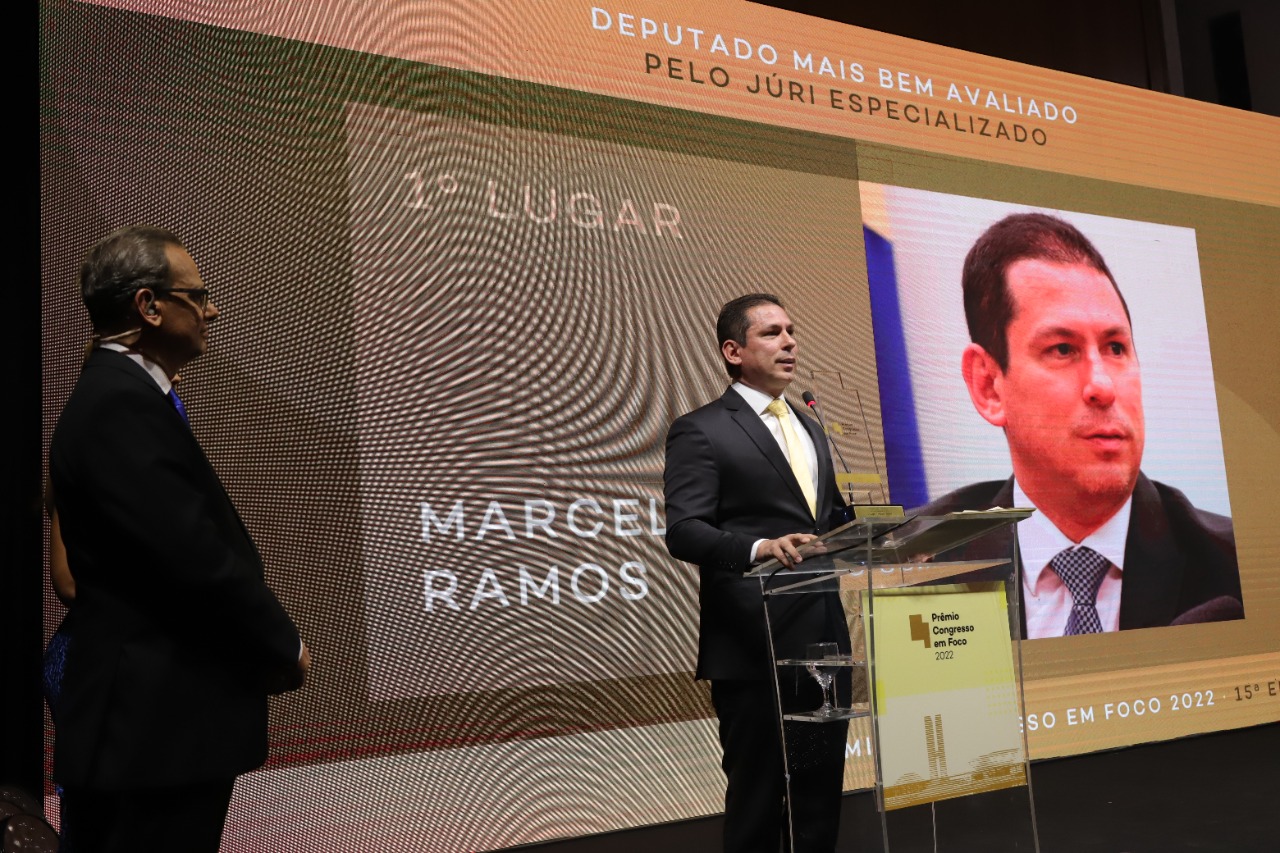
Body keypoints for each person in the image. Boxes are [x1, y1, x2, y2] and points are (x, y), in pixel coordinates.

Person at [49, 225, 311, 853]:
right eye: (197, 296)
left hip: (153, 731)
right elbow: (191, 556)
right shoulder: (119, 405)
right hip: (153, 734)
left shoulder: (123, 397)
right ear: (149, 305)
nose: (211, 309)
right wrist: (283, 643)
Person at [919, 212, 1242, 637]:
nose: (1103, 386)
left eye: (1115, 347)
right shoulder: (918, 567)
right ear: (989, 387)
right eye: (1063, 348)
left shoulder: (1239, 566)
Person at [664, 293, 850, 852]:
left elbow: (832, 520)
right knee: (758, 799)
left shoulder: (810, 424)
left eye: (791, 330)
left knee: (819, 794)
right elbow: (684, 530)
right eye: (771, 333)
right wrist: (761, 546)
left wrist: (889, 538)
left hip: (823, 638)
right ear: (733, 350)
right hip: (754, 644)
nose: (789, 342)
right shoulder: (701, 430)